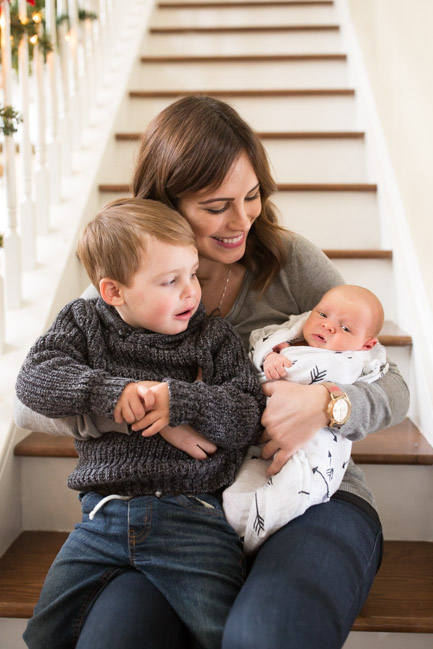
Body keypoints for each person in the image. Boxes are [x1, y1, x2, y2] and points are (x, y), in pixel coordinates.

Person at [14, 95, 409, 649]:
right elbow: (32, 398)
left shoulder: (289, 260)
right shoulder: (127, 274)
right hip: (174, 511)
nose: (242, 219)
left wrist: (324, 406)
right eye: (217, 205)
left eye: (251, 196)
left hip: (308, 497)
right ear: (167, 203)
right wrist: (145, 412)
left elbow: (390, 380)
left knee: (263, 635)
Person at [16, 198, 266, 649]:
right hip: (102, 516)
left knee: (226, 634)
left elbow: (249, 414)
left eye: (193, 273)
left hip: (193, 518)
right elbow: (35, 379)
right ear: (114, 291)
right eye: (171, 281)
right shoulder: (84, 320)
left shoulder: (213, 337)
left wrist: (181, 400)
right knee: (44, 636)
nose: (191, 291)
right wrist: (115, 393)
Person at [223, 284, 388, 554]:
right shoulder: (287, 340)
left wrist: (324, 400)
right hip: (257, 444)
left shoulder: (350, 361)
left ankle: (257, 536)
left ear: (367, 344)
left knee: (292, 488)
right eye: (322, 315)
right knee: (239, 495)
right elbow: (264, 349)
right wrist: (271, 357)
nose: (329, 327)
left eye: (346, 329)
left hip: (314, 446)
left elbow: (385, 389)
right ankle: (242, 534)